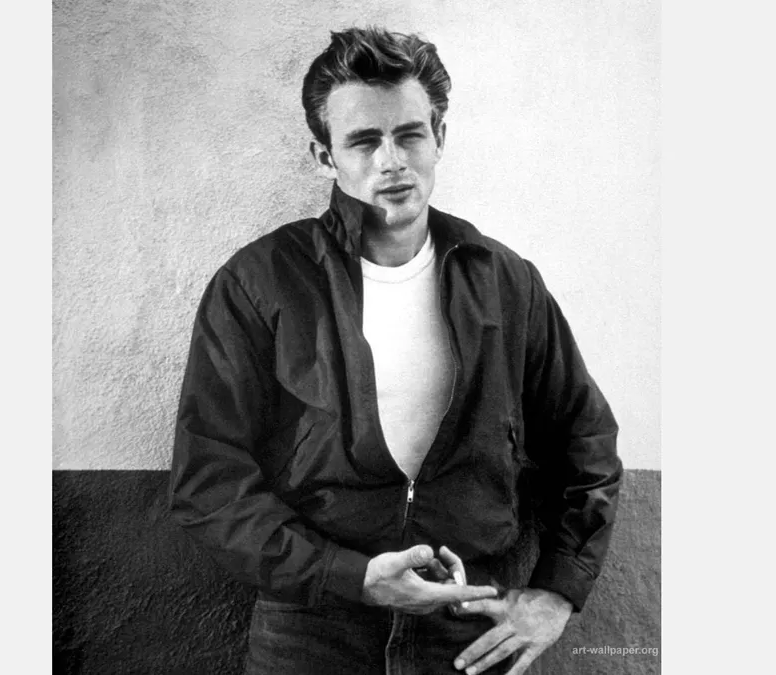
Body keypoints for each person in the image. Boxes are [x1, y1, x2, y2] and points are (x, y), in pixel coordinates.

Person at [169, 26, 622, 675]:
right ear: (324, 155)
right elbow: (208, 478)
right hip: (312, 626)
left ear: (440, 137)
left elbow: (586, 441)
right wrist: (346, 574)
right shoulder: (261, 282)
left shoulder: (504, 281)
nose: (392, 161)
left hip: (468, 624)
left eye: (410, 134)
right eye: (363, 140)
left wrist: (557, 590)